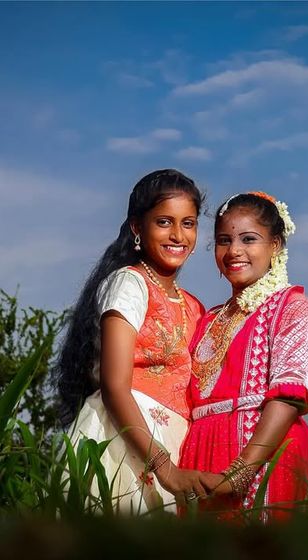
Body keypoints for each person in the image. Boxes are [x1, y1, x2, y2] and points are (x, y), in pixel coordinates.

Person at [55, 169, 207, 513]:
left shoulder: (195, 306)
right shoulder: (129, 284)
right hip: (127, 441)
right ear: (138, 228)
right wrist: (164, 468)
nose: (178, 235)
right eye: (164, 222)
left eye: (189, 223)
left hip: (176, 443)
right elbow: (114, 386)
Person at [180, 191, 308, 520]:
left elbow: (288, 398)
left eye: (248, 239)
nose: (234, 251)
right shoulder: (208, 320)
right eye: (223, 240)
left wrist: (240, 472)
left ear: (276, 245)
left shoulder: (292, 308)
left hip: (263, 459)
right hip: (203, 461)